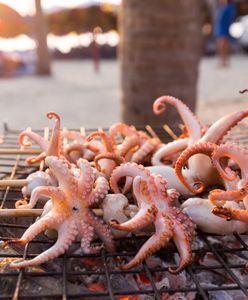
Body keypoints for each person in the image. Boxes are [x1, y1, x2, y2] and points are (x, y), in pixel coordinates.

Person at [215, 0, 237, 67]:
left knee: (223, 45)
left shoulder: (229, 7)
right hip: (223, 26)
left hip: (225, 26)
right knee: (223, 44)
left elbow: (229, 17)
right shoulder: (224, 7)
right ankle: (223, 61)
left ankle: (223, 61)